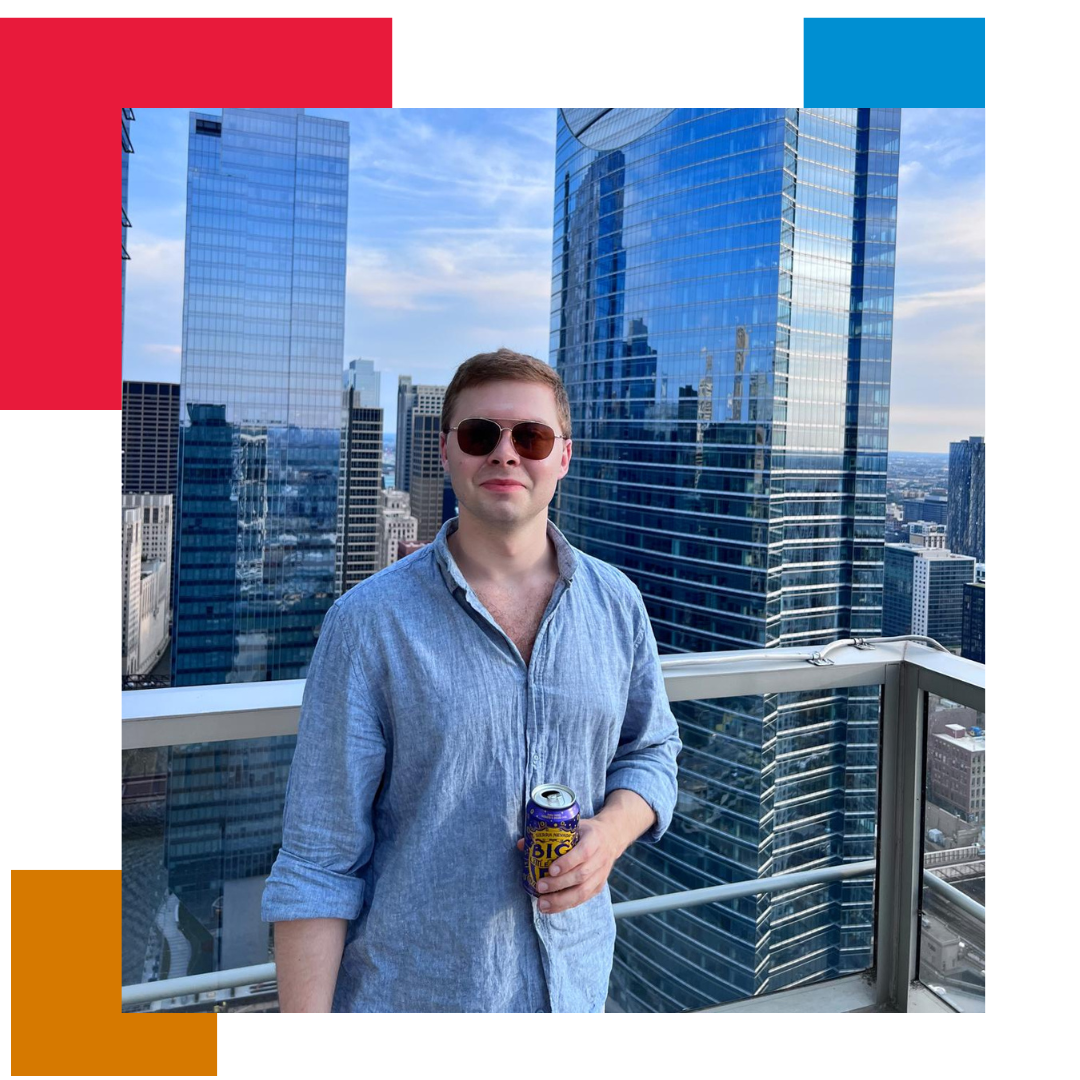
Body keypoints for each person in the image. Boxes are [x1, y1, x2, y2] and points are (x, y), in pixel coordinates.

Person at [261, 348, 682, 1012]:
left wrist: (610, 833)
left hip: (574, 994)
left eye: (532, 437)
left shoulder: (617, 605)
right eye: (481, 435)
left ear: (562, 457)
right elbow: (319, 862)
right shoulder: (368, 625)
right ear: (447, 452)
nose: (506, 454)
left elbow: (651, 749)